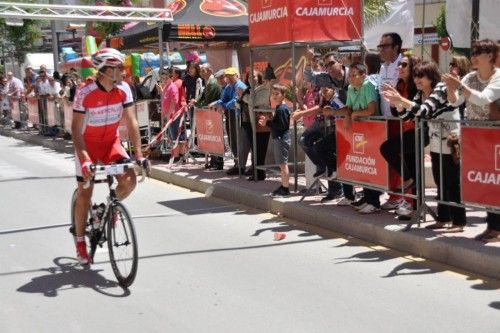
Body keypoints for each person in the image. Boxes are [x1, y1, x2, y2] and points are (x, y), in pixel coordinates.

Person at [71, 48, 146, 265]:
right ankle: (80, 243)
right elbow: (75, 130)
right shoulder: (85, 92)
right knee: (85, 193)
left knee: (130, 180)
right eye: (119, 68)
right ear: (106, 71)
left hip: (111, 144)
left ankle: (107, 208)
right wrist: (84, 158)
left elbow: (132, 123)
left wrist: (139, 155)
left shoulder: (124, 89)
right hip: (87, 146)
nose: (123, 72)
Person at [383, 61, 466, 231]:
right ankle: (443, 218)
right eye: (415, 76)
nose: (417, 80)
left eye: (421, 76)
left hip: (451, 140)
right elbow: (408, 117)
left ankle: (459, 221)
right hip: (435, 140)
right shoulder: (420, 94)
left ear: (431, 76)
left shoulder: (441, 89)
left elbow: (425, 111)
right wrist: (397, 104)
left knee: (452, 181)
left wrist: (402, 101)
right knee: (439, 180)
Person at [442, 39, 500, 241]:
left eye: (478, 53)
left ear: (491, 56)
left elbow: (483, 98)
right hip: (476, 138)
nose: (473, 56)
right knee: (485, 181)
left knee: (494, 181)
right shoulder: (470, 76)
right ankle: (493, 226)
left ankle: (495, 227)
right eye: (472, 52)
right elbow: (456, 101)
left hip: (495, 139)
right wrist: (451, 88)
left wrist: (459, 85)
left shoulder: (498, 77)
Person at [379, 55, 421, 216]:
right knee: (410, 165)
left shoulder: (415, 86)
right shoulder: (400, 84)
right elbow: (397, 111)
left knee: (387, 148)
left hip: (419, 130)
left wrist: (400, 100)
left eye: (404, 65)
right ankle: (412, 204)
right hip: (407, 128)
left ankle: (411, 191)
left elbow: (415, 107)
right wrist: (393, 102)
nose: (400, 68)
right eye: (399, 65)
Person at [209, 67, 247, 175]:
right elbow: (223, 99)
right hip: (231, 115)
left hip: (240, 116)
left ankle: (241, 165)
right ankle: (237, 164)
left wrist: (223, 106)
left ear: (237, 76)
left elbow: (235, 101)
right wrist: (217, 103)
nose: (229, 78)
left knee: (239, 141)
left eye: (231, 76)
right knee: (232, 140)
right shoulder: (229, 87)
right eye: (227, 76)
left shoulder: (239, 86)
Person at [258, 84, 291, 197]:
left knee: (283, 165)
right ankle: (283, 186)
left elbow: (281, 126)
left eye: (277, 94)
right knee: (282, 164)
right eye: (273, 94)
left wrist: (267, 122)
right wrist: (268, 120)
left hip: (281, 138)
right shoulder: (280, 108)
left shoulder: (282, 109)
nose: (274, 96)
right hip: (279, 138)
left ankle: (286, 189)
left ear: (283, 95)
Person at [193, 63, 223, 170]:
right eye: (200, 70)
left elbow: (208, 101)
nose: (201, 73)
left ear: (210, 70)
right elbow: (203, 98)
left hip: (214, 114)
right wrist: (196, 101)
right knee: (212, 139)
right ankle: (214, 161)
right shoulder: (209, 82)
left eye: (203, 70)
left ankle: (217, 162)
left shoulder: (212, 82)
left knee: (215, 138)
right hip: (211, 114)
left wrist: (197, 104)